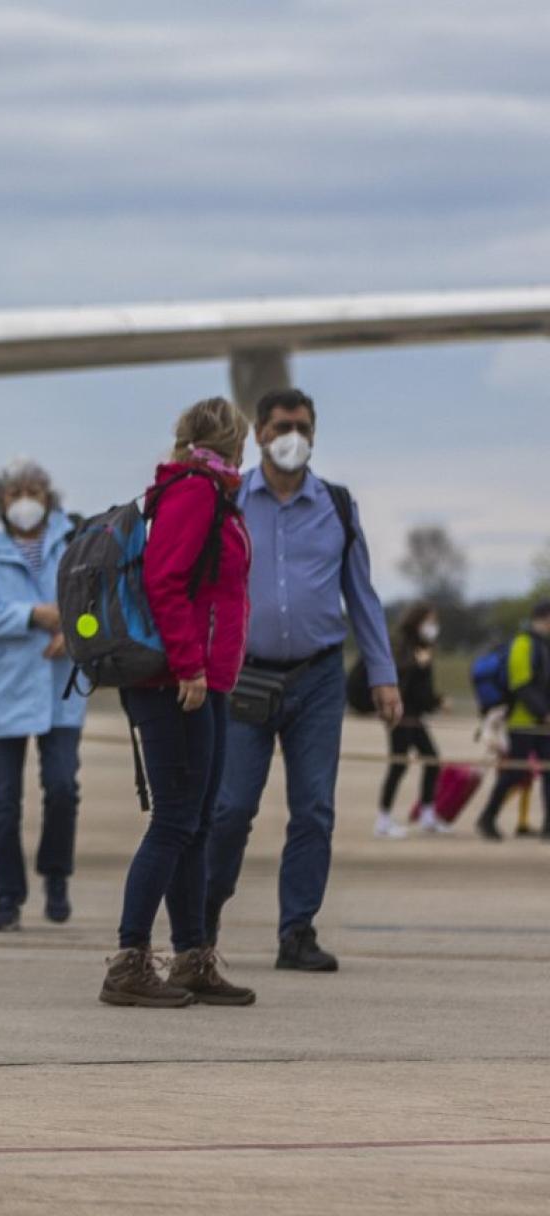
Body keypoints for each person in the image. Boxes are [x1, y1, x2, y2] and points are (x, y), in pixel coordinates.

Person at [205, 388, 400, 974]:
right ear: (260, 433)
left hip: (317, 677)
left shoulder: (336, 505)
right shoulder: (229, 501)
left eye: (305, 427)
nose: (295, 436)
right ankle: (201, 922)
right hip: (243, 675)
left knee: (313, 808)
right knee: (231, 808)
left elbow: (361, 594)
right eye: (284, 425)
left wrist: (383, 674)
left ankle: (297, 932)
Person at [101, 398, 256, 1008]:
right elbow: (166, 580)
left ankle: (193, 956)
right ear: (231, 440)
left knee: (196, 824)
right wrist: (189, 664)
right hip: (177, 684)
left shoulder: (212, 493)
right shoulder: (194, 492)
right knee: (173, 820)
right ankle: (129, 961)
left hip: (206, 682)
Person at [0, 459, 84, 931]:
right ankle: (8, 897)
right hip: (4, 688)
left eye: (34, 490)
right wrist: (32, 616)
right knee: (4, 801)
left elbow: (98, 604)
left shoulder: (74, 538)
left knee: (64, 787)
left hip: (60, 686)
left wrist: (73, 630)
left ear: (50, 496)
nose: (25, 500)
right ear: (0, 501)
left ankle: (56, 874)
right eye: (15, 493)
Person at [473, 602, 550, 840]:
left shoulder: (543, 646)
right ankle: (487, 818)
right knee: (515, 773)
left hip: (542, 723)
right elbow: (521, 685)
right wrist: (544, 713)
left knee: (548, 772)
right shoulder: (523, 644)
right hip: (522, 721)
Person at [379, 604, 447, 837]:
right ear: (417, 621)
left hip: (415, 714)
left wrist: (436, 701)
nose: (433, 627)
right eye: (429, 621)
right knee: (399, 763)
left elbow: (421, 689)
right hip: (400, 714)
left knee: (432, 760)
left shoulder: (424, 647)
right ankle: (383, 820)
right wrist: (417, 664)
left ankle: (427, 814)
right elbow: (395, 676)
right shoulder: (402, 645)